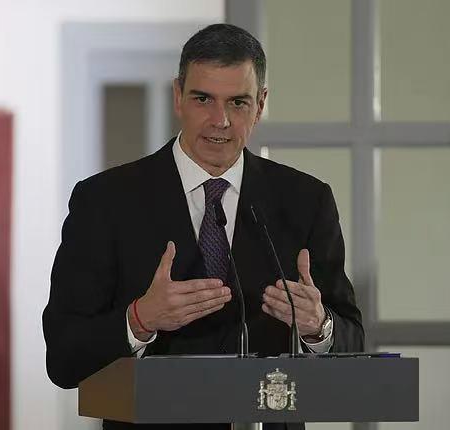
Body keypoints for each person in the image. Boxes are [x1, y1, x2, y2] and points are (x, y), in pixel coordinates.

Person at [43, 23, 364, 430]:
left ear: (260, 105)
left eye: (238, 103)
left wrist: (320, 327)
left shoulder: (305, 200)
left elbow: (353, 342)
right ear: (178, 96)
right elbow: (63, 358)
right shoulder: (105, 201)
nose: (220, 120)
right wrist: (140, 319)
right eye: (203, 99)